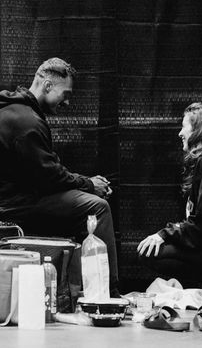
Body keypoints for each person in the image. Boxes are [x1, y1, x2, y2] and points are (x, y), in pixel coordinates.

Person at [0, 57, 119, 297]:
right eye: (65, 94)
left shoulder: (13, 110)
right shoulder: (27, 122)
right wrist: (89, 185)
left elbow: (44, 172)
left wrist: (85, 184)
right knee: (98, 208)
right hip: (15, 205)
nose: (66, 102)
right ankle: (108, 294)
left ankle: (77, 290)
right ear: (46, 86)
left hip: (18, 196)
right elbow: (49, 178)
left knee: (84, 201)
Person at [137, 102, 202, 315]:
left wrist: (164, 234)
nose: (180, 132)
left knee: (151, 253)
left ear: (199, 131)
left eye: (184, 127)